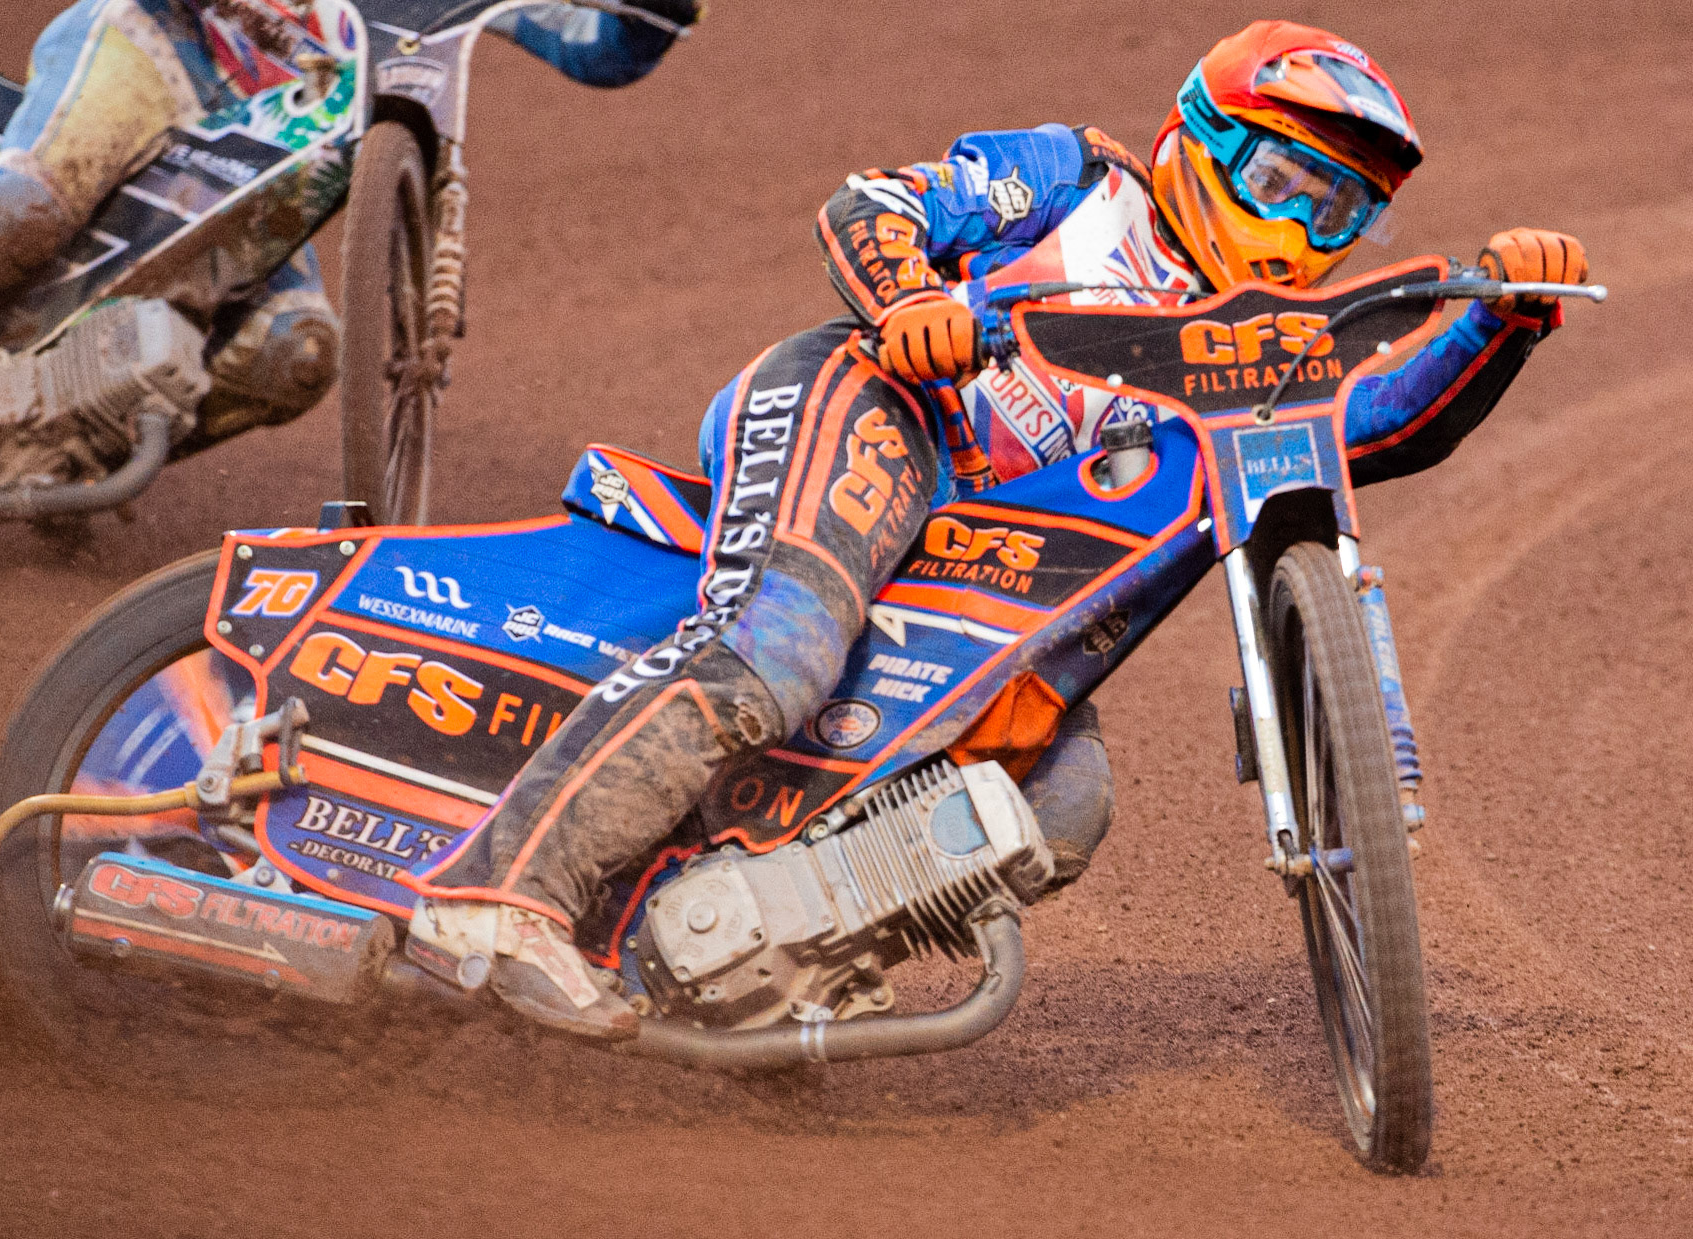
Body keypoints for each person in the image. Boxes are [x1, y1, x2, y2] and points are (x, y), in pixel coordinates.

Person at [404, 20, 1590, 1039]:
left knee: (1062, 800)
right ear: (1202, 141)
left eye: (1339, 213)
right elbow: (876, 202)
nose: (1298, 234)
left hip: (995, 571)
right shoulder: (1082, 183)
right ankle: (498, 894)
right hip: (881, 412)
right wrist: (913, 300)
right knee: (779, 647)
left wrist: (1500, 323)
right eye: (1282, 181)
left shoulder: (1263, 352)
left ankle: (740, 960)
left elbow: (1375, 424)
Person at [0, 0, 702, 459]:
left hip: (263, 157)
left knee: (296, 351)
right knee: (24, 210)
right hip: (155, 51)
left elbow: (596, 48)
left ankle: (62, 451)